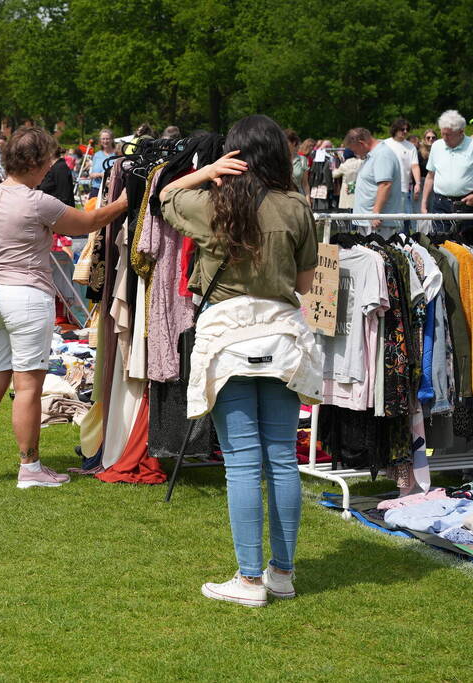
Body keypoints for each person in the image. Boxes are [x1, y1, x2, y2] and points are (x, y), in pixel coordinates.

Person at [159, 114, 320, 608]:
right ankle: (281, 574)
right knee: (281, 461)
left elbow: (164, 195)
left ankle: (250, 580)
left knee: (244, 464)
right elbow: (308, 284)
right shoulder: (296, 206)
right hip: (282, 337)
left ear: (235, 157)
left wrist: (206, 173)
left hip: (228, 338)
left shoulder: (211, 203)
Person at [0, 126, 129, 489]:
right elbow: (89, 222)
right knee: (27, 387)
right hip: (26, 296)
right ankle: (30, 467)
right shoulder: (38, 201)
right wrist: (127, 201)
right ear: (37, 162)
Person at [421, 109, 473, 246]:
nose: (444, 137)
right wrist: (424, 204)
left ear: (461, 132)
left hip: (467, 203)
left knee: (466, 246)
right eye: (442, 133)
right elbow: (430, 176)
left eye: (449, 135)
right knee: (440, 245)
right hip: (440, 202)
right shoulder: (437, 146)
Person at [345, 127, 402, 237]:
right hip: (369, 222)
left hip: (377, 224)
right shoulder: (373, 155)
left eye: (354, 150)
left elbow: (385, 185)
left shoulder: (382, 155)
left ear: (361, 143)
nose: (355, 153)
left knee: (378, 253)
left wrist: (376, 213)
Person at [382, 118, 421, 230]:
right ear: (395, 129)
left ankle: (401, 242)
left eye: (406, 129)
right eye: (402, 129)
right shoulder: (385, 144)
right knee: (386, 219)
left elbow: (414, 165)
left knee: (401, 222)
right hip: (386, 187)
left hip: (403, 189)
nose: (405, 132)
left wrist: (417, 183)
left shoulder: (410, 147)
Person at [284, 129, 310, 200]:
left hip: (299, 198)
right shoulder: (278, 160)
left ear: (294, 143)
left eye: (286, 142)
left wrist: (308, 201)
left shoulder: (302, 160)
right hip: (283, 198)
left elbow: (305, 184)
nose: (283, 145)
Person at [89, 128, 116, 197]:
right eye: (103, 139)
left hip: (111, 190)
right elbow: (91, 175)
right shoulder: (96, 155)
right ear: (100, 141)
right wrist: (101, 175)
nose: (105, 141)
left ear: (112, 140)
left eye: (107, 138)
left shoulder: (116, 155)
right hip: (96, 189)